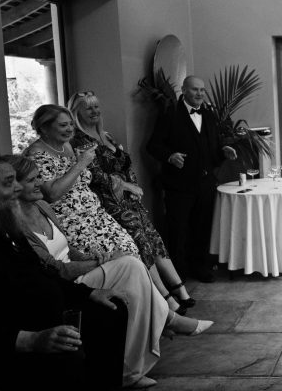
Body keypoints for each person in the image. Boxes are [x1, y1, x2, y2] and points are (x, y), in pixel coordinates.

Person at [5, 155, 213, 389]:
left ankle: (134, 361)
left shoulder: (42, 206)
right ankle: (156, 333)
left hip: (78, 269)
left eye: (39, 177)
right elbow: (56, 270)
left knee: (131, 267)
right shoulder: (16, 226)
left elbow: (68, 249)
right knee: (130, 265)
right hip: (67, 282)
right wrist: (98, 263)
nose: (40, 183)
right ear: (14, 186)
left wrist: (94, 258)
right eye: (32, 180)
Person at [0, 157, 127, 391]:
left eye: (16, 180)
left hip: (57, 303)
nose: (17, 188)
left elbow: (43, 271)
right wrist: (30, 339)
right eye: (8, 183)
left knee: (113, 308)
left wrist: (88, 293)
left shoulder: (9, 228)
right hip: (30, 327)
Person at [67, 91, 195, 313]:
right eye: (88, 108)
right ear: (76, 112)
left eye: (96, 106)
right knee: (139, 241)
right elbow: (94, 174)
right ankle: (164, 297)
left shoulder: (106, 135)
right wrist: (126, 186)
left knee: (153, 237)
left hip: (129, 199)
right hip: (107, 202)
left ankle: (178, 287)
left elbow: (126, 164)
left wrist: (134, 187)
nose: (94, 111)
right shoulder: (78, 141)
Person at [147, 75, 237, 282]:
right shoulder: (170, 114)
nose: (199, 94)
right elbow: (152, 145)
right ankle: (178, 275)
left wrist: (224, 150)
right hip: (179, 185)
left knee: (202, 228)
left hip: (205, 184)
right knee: (178, 231)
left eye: (202, 90)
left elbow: (213, 146)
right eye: (195, 89)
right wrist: (170, 156)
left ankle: (200, 268)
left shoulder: (209, 115)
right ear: (184, 90)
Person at [23, 105, 140, 257]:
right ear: (44, 128)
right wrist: (81, 164)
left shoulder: (66, 145)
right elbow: (52, 194)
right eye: (63, 125)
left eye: (71, 124)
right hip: (72, 222)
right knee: (118, 258)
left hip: (96, 215)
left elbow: (81, 181)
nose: (70, 129)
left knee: (131, 250)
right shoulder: (35, 154)